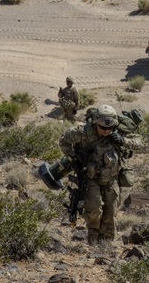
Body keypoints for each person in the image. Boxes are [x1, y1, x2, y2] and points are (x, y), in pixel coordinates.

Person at [58, 104, 142, 244]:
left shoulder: (119, 132)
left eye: (109, 128)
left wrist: (123, 141)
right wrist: (73, 157)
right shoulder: (83, 132)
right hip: (91, 179)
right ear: (96, 122)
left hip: (112, 179)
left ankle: (106, 243)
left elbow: (139, 142)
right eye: (103, 128)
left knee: (111, 212)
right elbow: (63, 140)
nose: (106, 130)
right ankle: (92, 239)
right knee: (94, 210)